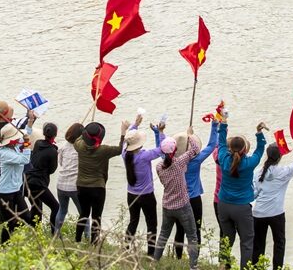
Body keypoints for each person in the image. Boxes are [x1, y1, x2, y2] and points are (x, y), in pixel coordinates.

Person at [216, 116, 268, 270]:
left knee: (226, 238)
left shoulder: (224, 159)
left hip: (224, 204)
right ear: (245, 149)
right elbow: (260, 150)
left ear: (230, 148)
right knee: (246, 242)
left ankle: (222, 267)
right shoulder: (249, 163)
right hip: (242, 207)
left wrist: (224, 124)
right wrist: (259, 133)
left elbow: (220, 143)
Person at [152, 128, 201, 270]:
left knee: (163, 235)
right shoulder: (179, 162)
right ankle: (193, 266)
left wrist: (160, 133)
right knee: (192, 236)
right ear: (174, 151)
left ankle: (154, 262)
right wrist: (189, 135)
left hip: (167, 205)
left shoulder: (159, 167)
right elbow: (195, 149)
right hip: (183, 206)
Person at [252, 142, 293, 269]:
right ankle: (277, 268)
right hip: (277, 214)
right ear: (280, 157)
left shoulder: (257, 173)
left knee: (258, 244)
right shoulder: (284, 172)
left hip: (258, 213)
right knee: (279, 243)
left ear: (267, 155)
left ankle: (256, 267)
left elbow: (254, 195)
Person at [74, 119, 130, 243]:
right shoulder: (104, 150)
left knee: (83, 213)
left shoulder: (79, 146)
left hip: (81, 186)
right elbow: (121, 149)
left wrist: (87, 130)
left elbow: (77, 138)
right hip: (98, 187)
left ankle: (77, 240)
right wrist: (123, 132)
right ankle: (94, 243)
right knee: (96, 216)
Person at [172, 119, 219, 259]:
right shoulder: (196, 160)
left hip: (179, 199)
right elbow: (211, 145)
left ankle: (179, 258)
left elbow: (161, 148)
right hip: (193, 200)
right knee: (195, 231)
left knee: (179, 230)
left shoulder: (172, 162)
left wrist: (159, 133)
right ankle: (194, 260)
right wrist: (214, 126)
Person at [123, 113, 164, 256]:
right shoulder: (145, 155)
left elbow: (125, 141)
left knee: (133, 221)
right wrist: (159, 133)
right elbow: (162, 149)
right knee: (151, 224)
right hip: (146, 196)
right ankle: (151, 253)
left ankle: (126, 248)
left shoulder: (124, 154)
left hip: (131, 194)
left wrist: (135, 124)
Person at [0, 121, 34, 243]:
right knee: (10, 224)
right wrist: (27, 145)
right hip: (5, 193)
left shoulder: (15, 147)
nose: (19, 139)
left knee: (27, 217)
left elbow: (25, 134)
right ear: (11, 141)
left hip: (16, 190)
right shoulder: (5, 154)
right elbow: (25, 159)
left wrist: (30, 123)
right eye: (16, 138)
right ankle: (4, 247)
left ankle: (13, 241)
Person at [0, 100, 29, 184]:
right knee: (18, 191)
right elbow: (28, 120)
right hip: (18, 170)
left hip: (0, 171)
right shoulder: (15, 126)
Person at [25, 122, 60, 232]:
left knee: (36, 207)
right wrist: (54, 150)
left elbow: (41, 152)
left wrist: (53, 148)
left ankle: (34, 232)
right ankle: (54, 234)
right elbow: (52, 170)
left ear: (44, 133)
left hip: (27, 180)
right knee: (56, 207)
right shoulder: (53, 151)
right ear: (55, 135)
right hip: (38, 184)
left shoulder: (37, 143)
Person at [54, 122, 84, 232]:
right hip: (75, 186)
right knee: (83, 213)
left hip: (61, 184)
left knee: (62, 210)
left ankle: (56, 234)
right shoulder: (82, 149)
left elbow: (61, 163)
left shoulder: (62, 146)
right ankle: (87, 238)